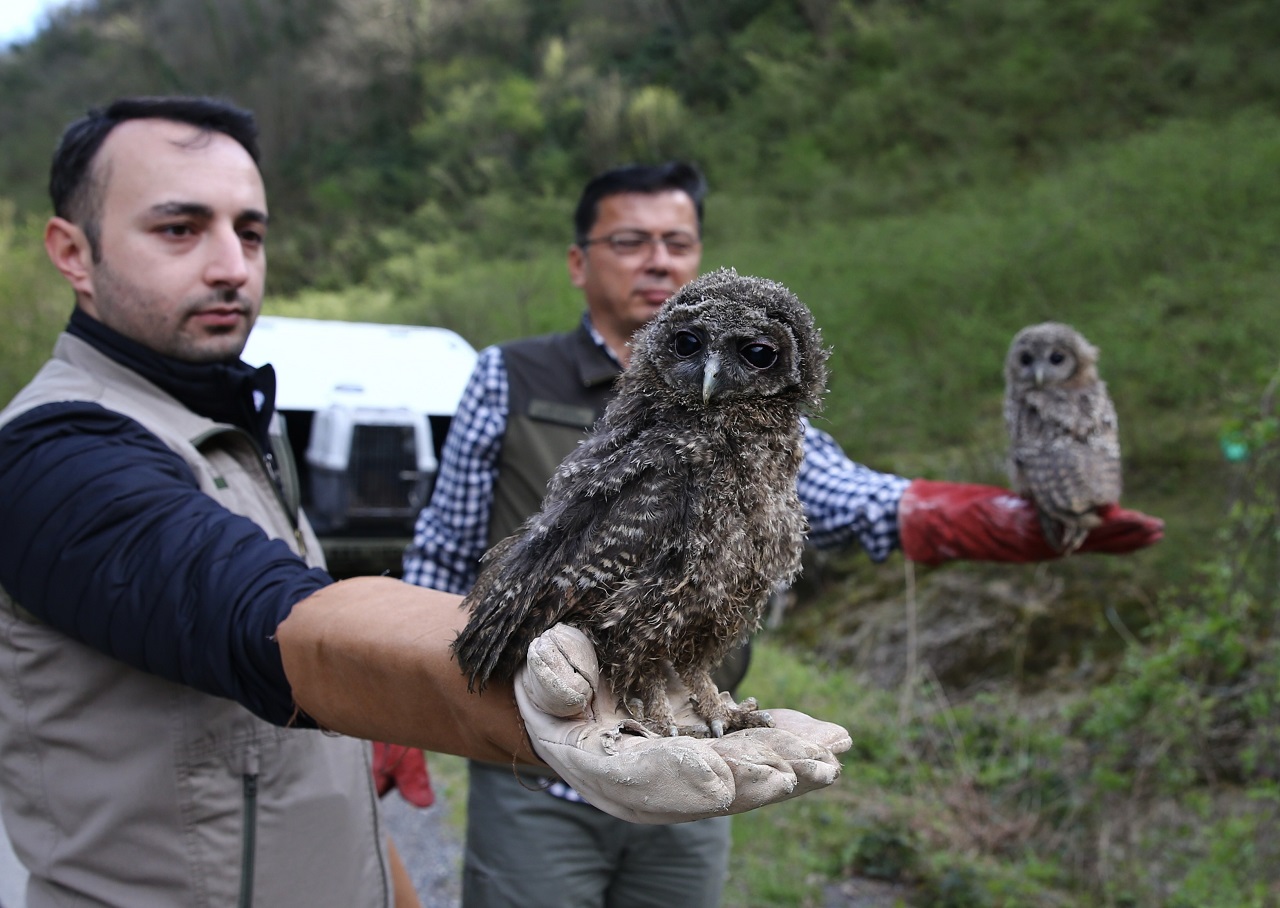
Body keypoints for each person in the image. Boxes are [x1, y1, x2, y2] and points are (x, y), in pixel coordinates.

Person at [0, 101, 852, 908]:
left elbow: (268, 762)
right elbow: (256, 612)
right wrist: (495, 690)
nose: (230, 263)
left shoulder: (217, 417)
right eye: (178, 228)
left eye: (250, 230)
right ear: (72, 251)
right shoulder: (52, 454)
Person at [402, 161, 1164, 908]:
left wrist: (993, 521)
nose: (657, 260)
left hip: (691, 758)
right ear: (579, 261)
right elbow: (442, 545)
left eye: (677, 241)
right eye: (631, 241)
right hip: (530, 760)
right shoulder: (511, 375)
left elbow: (853, 497)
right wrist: (403, 704)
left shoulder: (777, 428)